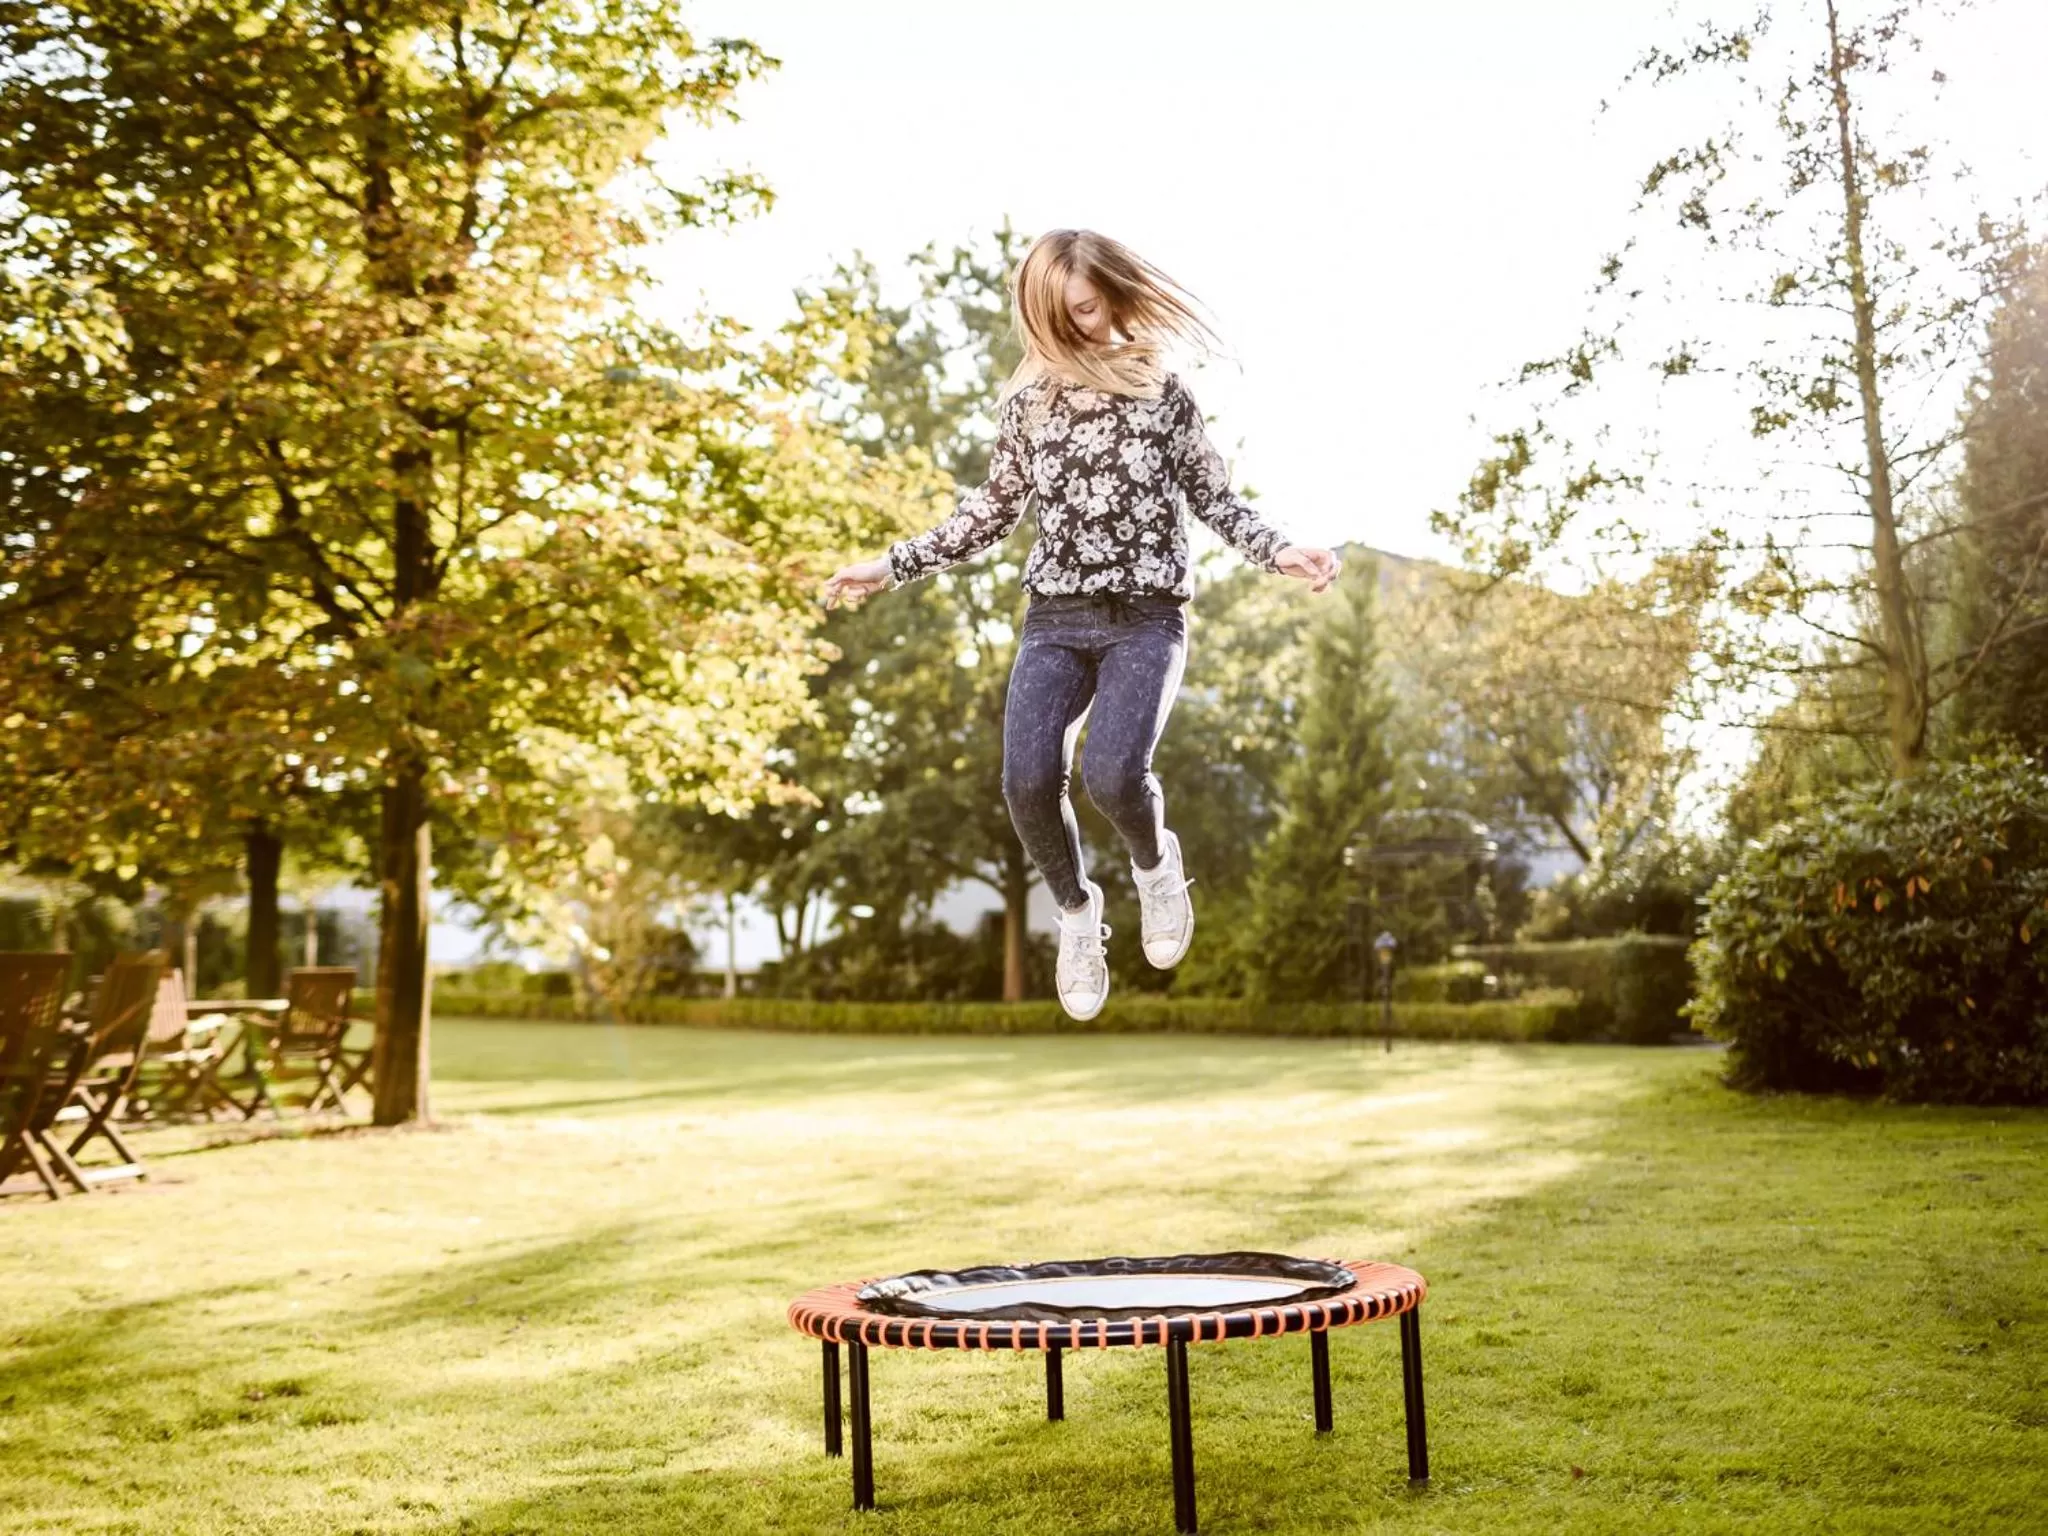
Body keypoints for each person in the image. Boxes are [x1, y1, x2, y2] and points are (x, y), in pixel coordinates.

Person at [821, 229, 1340, 1020]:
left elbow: (1214, 499)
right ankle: (1075, 913)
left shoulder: (1162, 393)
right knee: (1026, 780)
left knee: (1112, 775)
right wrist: (890, 565)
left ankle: (1155, 866)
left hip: (1146, 617)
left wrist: (1280, 551)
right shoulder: (1030, 405)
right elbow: (991, 513)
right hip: (1055, 619)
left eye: (1090, 309)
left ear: (1113, 294)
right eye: (1061, 318)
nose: (1081, 329)